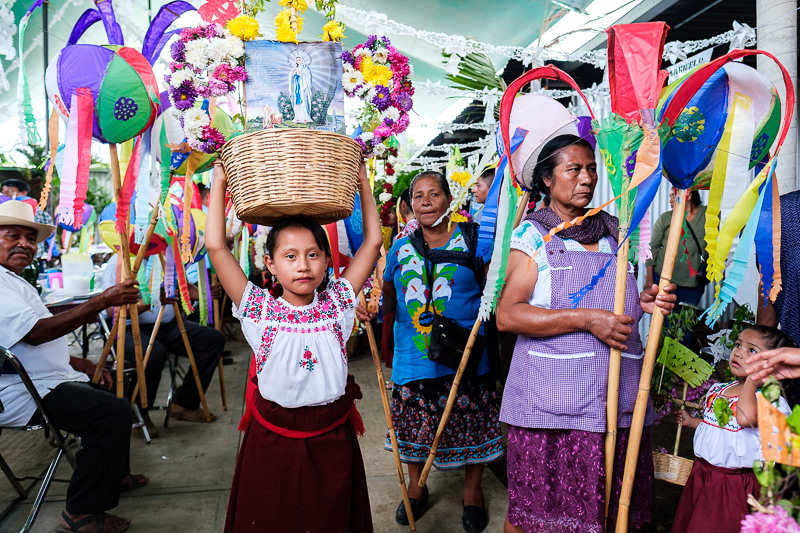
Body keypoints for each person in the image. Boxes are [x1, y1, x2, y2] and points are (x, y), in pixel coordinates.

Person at [495, 134, 677, 533]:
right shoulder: (533, 236)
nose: (586, 178)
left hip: (616, 402)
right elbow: (507, 315)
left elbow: (618, 301)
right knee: (535, 515)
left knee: (610, 512)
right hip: (551, 409)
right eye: (573, 169)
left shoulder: (616, 233)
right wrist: (586, 319)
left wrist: (644, 302)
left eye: (591, 169)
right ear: (547, 179)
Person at [207, 160, 381, 533]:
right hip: (272, 441)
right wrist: (220, 182)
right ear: (269, 264)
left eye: (313, 254)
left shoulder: (337, 303)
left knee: (330, 522)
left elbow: (372, 243)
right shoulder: (259, 309)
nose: (303, 265)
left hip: (332, 439)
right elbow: (216, 247)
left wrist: (363, 183)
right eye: (290, 256)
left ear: (328, 261)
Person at [359, 170, 503, 533]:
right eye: (418, 196)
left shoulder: (473, 240)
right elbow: (388, 297)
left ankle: (472, 493)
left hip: (466, 353)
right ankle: (416, 487)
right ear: (410, 205)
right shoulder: (399, 248)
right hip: (414, 356)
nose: (425, 201)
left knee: (472, 424)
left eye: (434, 193)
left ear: (449, 200)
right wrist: (372, 306)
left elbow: (494, 288)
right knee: (414, 427)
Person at [0, 199, 147, 533]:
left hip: (42, 380)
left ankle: (113, 474)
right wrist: (101, 301)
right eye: (13, 236)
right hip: (18, 391)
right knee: (109, 413)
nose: (25, 244)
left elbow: (32, 341)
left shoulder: (14, 280)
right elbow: (36, 334)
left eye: (30, 238)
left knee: (116, 389)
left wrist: (84, 364)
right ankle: (80, 513)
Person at [672, 325, 794, 533]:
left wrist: (752, 381)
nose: (738, 352)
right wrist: (692, 422)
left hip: (735, 484)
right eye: (738, 345)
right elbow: (719, 429)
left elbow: (744, 419)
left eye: (752, 350)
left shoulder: (767, 399)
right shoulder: (719, 389)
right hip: (703, 475)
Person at [101, 255, 225, 432]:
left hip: (166, 326)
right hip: (126, 329)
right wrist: (152, 300)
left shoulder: (163, 255)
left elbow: (180, 286)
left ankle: (184, 404)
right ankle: (138, 413)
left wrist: (204, 294)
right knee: (152, 354)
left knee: (212, 340)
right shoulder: (118, 262)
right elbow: (112, 310)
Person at [646, 187, 707, 306]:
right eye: (670, 196)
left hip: (693, 284)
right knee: (663, 315)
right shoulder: (665, 218)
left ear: (688, 195)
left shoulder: (707, 215)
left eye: (673, 195)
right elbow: (652, 248)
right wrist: (649, 279)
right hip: (664, 280)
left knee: (686, 317)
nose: (670, 200)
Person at [2, 178, 55, 260]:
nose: (6, 195)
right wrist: (54, 253)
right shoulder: (41, 212)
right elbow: (51, 237)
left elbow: (50, 237)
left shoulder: (38, 212)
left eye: (9, 191)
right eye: (4, 192)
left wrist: (53, 252)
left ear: (24, 192)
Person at [290, 54, 313, 123]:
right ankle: (297, 117)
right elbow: (291, 76)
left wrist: (299, 73)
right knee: (297, 102)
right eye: (297, 60)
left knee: (303, 100)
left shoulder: (305, 68)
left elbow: (308, 77)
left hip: (303, 87)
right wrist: (294, 73)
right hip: (297, 87)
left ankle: (305, 117)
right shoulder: (296, 68)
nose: (298, 61)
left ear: (302, 60)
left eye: (299, 60)